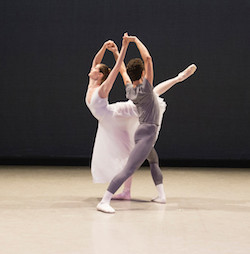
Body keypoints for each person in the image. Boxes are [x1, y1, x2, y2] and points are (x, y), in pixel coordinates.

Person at [96, 35, 196, 213]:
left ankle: (161, 195)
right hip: (147, 134)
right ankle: (105, 200)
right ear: (143, 74)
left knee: (153, 160)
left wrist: (119, 50)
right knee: (128, 169)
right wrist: (135, 40)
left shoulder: (130, 90)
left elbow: (123, 72)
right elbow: (148, 59)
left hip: (143, 132)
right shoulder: (147, 90)